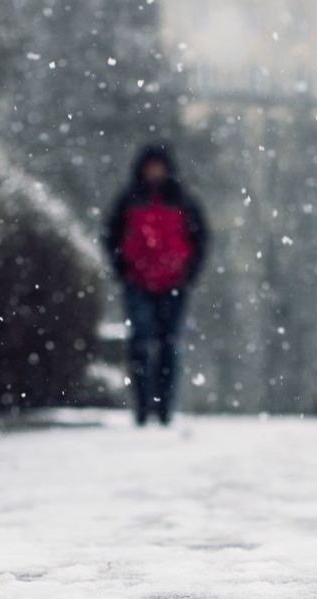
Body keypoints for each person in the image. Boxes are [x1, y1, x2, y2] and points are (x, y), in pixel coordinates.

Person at [103, 144, 208, 427]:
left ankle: (163, 408)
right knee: (140, 342)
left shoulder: (183, 201)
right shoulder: (129, 200)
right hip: (137, 282)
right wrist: (123, 269)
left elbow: (200, 240)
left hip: (173, 283)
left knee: (167, 346)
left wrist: (189, 272)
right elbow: (111, 236)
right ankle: (141, 406)